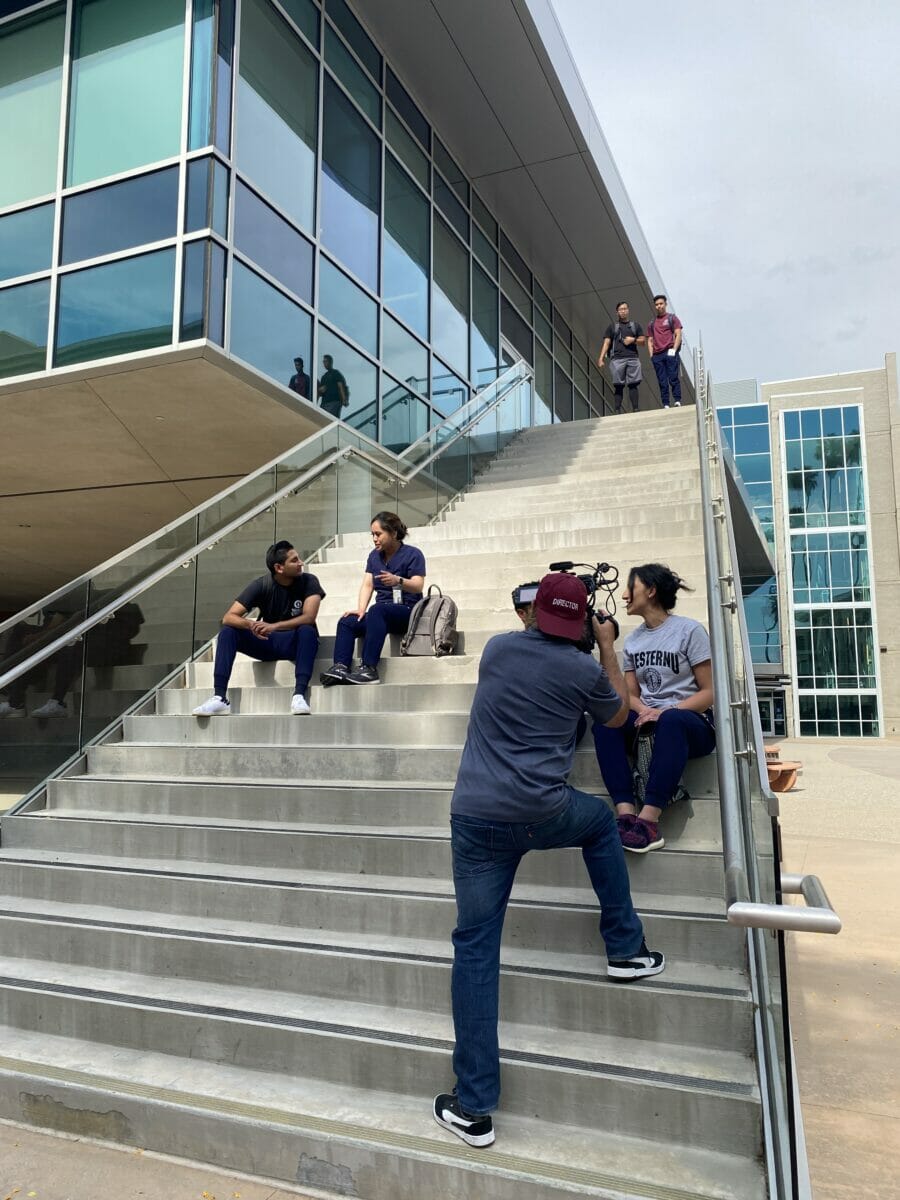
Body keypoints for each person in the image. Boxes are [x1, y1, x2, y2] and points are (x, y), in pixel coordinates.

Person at [433, 573, 664, 1149]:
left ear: (531, 611)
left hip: (476, 817)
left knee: (477, 948)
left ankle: (475, 1106)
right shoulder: (584, 668)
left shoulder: (497, 648)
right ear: (581, 623)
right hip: (544, 811)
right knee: (602, 826)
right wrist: (608, 644)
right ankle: (625, 948)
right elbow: (617, 718)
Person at [593, 563, 715, 854]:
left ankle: (648, 821)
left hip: (691, 723)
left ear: (650, 590)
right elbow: (630, 694)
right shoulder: (634, 640)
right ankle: (625, 814)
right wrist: (645, 710)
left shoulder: (689, 631)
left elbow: (710, 692)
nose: (623, 595)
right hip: (649, 719)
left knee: (672, 720)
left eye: (630, 587)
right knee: (604, 720)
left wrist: (664, 711)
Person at [191, 541, 324, 717]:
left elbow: (309, 617)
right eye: (294, 560)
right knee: (228, 631)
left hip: (295, 642)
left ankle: (299, 695)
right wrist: (251, 625)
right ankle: (219, 697)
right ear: (279, 567)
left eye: (298, 558)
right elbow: (228, 617)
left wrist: (274, 626)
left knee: (307, 630)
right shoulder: (262, 585)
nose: (301, 563)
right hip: (267, 642)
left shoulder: (309, 581)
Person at [320, 512, 425, 686]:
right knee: (347, 621)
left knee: (377, 610)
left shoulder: (413, 554)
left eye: (378, 534)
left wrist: (397, 580)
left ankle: (369, 669)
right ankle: (340, 667)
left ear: (392, 533)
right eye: (373, 534)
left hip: (407, 611)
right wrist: (361, 609)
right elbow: (368, 585)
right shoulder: (374, 556)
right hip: (381, 615)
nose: (374, 539)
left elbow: (418, 585)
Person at [598, 301, 645, 413]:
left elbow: (643, 341)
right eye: (620, 309)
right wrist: (601, 358)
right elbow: (606, 343)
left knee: (633, 384)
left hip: (633, 358)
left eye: (625, 309)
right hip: (617, 359)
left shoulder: (635, 326)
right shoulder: (612, 327)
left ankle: (635, 408)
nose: (623, 311)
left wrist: (632, 340)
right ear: (617, 312)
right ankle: (617, 410)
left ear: (628, 310)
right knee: (618, 385)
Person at [646, 295, 683, 409]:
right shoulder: (651, 323)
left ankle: (677, 400)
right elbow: (650, 340)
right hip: (657, 355)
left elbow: (678, 334)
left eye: (661, 304)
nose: (659, 306)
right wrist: (651, 355)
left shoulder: (672, 318)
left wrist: (674, 349)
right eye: (657, 304)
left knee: (673, 377)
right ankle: (665, 403)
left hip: (669, 351)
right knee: (662, 381)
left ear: (665, 304)